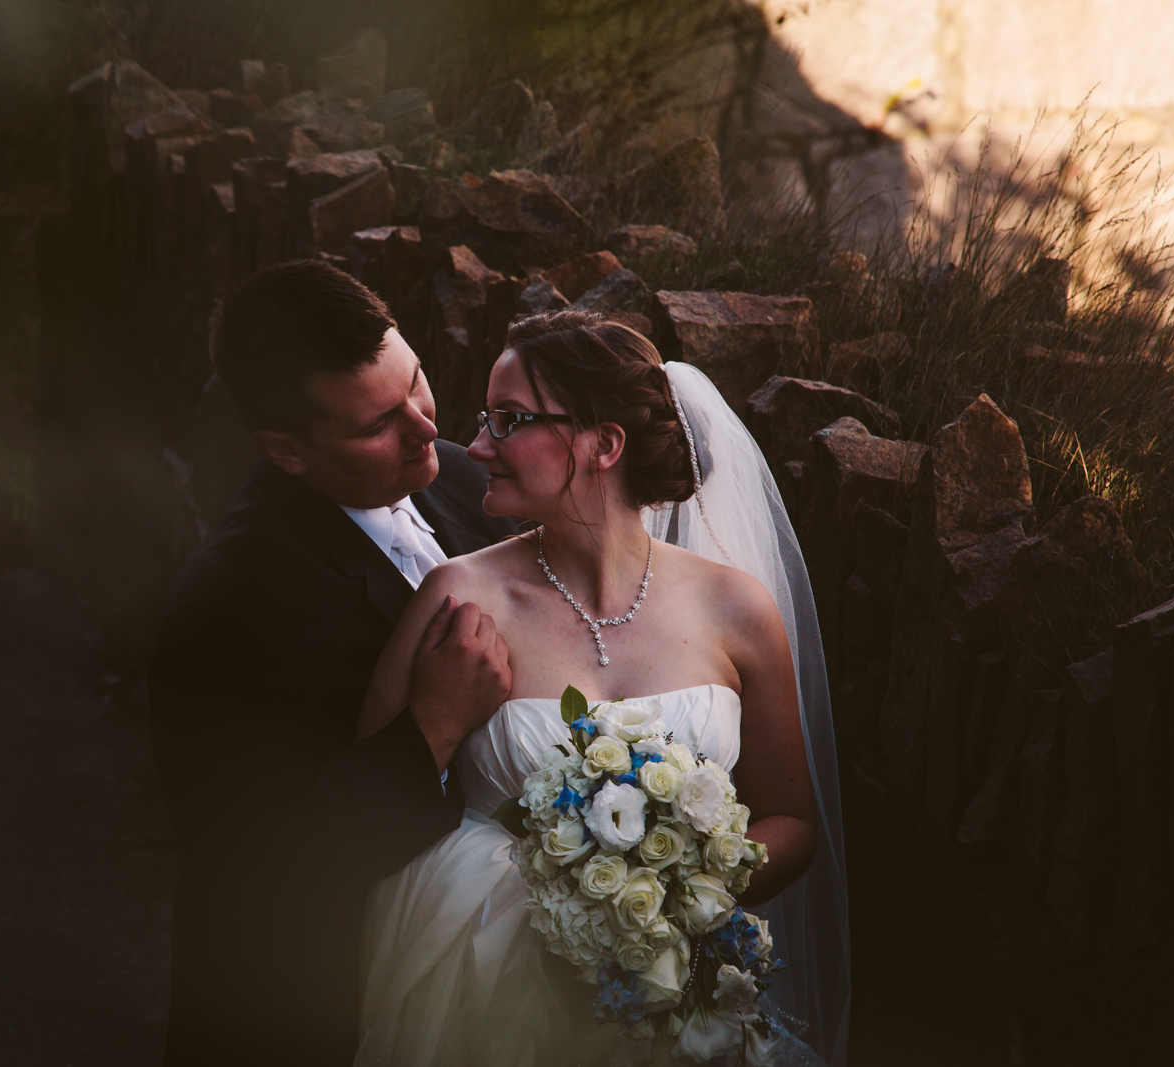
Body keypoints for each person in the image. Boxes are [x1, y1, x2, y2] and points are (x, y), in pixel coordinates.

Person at [353, 311, 851, 1066]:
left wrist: (674, 889)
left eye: (510, 420)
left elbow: (790, 819)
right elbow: (367, 813)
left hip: (667, 996)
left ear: (603, 444)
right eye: (486, 419)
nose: (478, 444)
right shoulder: (457, 599)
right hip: (484, 998)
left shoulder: (738, 609)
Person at [148, 260, 521, 1067]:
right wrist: (430, 728)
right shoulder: (222, 614)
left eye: (416, 381)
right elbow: (259, 876)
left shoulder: (459, 477)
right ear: (285, 452)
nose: (427, 427)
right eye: (375, 425)